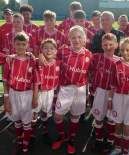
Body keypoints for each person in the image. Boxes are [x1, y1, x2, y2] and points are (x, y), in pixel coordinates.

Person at [51, 26, 92, 154]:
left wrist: (89, 91)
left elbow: (91, 73)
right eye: (73, 37)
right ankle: (63, 136)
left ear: (84, 39)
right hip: (65, 89)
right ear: (69, 39)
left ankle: (71, 139)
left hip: (80, 90)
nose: (76, 40)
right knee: (58, 116)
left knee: (75, 116)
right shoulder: (63, 51)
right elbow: (49, 59)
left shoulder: (89, 55)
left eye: (79, 37)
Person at [3, 32, 39, 154]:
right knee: (17, 120)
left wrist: (35, 97)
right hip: (13, 93)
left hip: (27, 94)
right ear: (14, 44)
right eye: (18, 44)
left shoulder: (32, 60)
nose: (20, 47)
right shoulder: (10, 59)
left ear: (27, 45)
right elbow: (5, 81)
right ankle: (19, 142)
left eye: (23, 44)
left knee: (27, 121)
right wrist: (6, 98)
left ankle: (25, 146)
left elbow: (35, 81)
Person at [108, 37, 129, 155]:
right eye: (122, 50)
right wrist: (110, 99)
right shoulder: (116, 65)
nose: (124, 53)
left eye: (127, 50)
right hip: (118, 97)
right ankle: (117, 148)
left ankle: (126, 151)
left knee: (128, 126)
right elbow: (112, 85)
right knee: (118, 124)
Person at [89, 33, 120, 154]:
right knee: (98, 117)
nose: (108, 47)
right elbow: (89, 70)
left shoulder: (120, 61)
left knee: (112, 119)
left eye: (111, 44)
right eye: (105, 44)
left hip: (114, 94)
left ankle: (110, 141)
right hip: (100, 92)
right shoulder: (96, 57)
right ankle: (99, 139)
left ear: (116, 45)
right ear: (101, 45)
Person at [32, 38, 60, 140]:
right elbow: (25, 56)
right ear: (41, 50)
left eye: (51, 48)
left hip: (50, 92)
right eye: (45, 48)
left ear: (56, 51)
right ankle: (31, 132)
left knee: (45, 112)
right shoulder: (36, 62)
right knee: (34, 112)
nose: (48, 50)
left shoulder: (58, 63)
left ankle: (44, 129)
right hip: (38, 91)